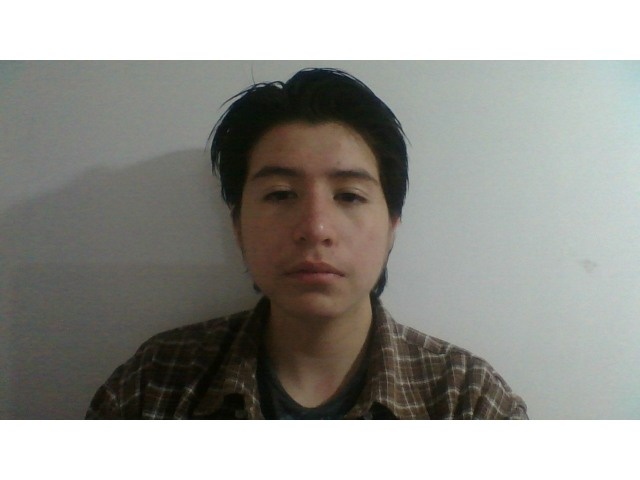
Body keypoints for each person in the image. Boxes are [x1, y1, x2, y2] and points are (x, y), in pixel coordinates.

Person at [86, 68, 528, 419]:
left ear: (392, 225)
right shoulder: (153, 387)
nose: (315, 228)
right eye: (280, 194)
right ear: (237, 226)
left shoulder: (466, 402)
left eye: (349, 196)